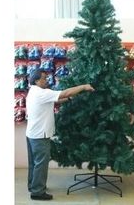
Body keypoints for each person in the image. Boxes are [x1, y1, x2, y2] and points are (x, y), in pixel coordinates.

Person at [26, 68, 95, 200]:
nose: (47, 80)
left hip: (32, 133)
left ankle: (33, 185)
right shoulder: (42, 93)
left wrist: (69, 99)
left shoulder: (34, 91)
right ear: (36, 80)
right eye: (44, 78)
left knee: (33, 163)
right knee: (41, 163)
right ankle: (37, 192)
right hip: (40, 135)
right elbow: (64, 93)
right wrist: (83, 86)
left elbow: (57, 99)